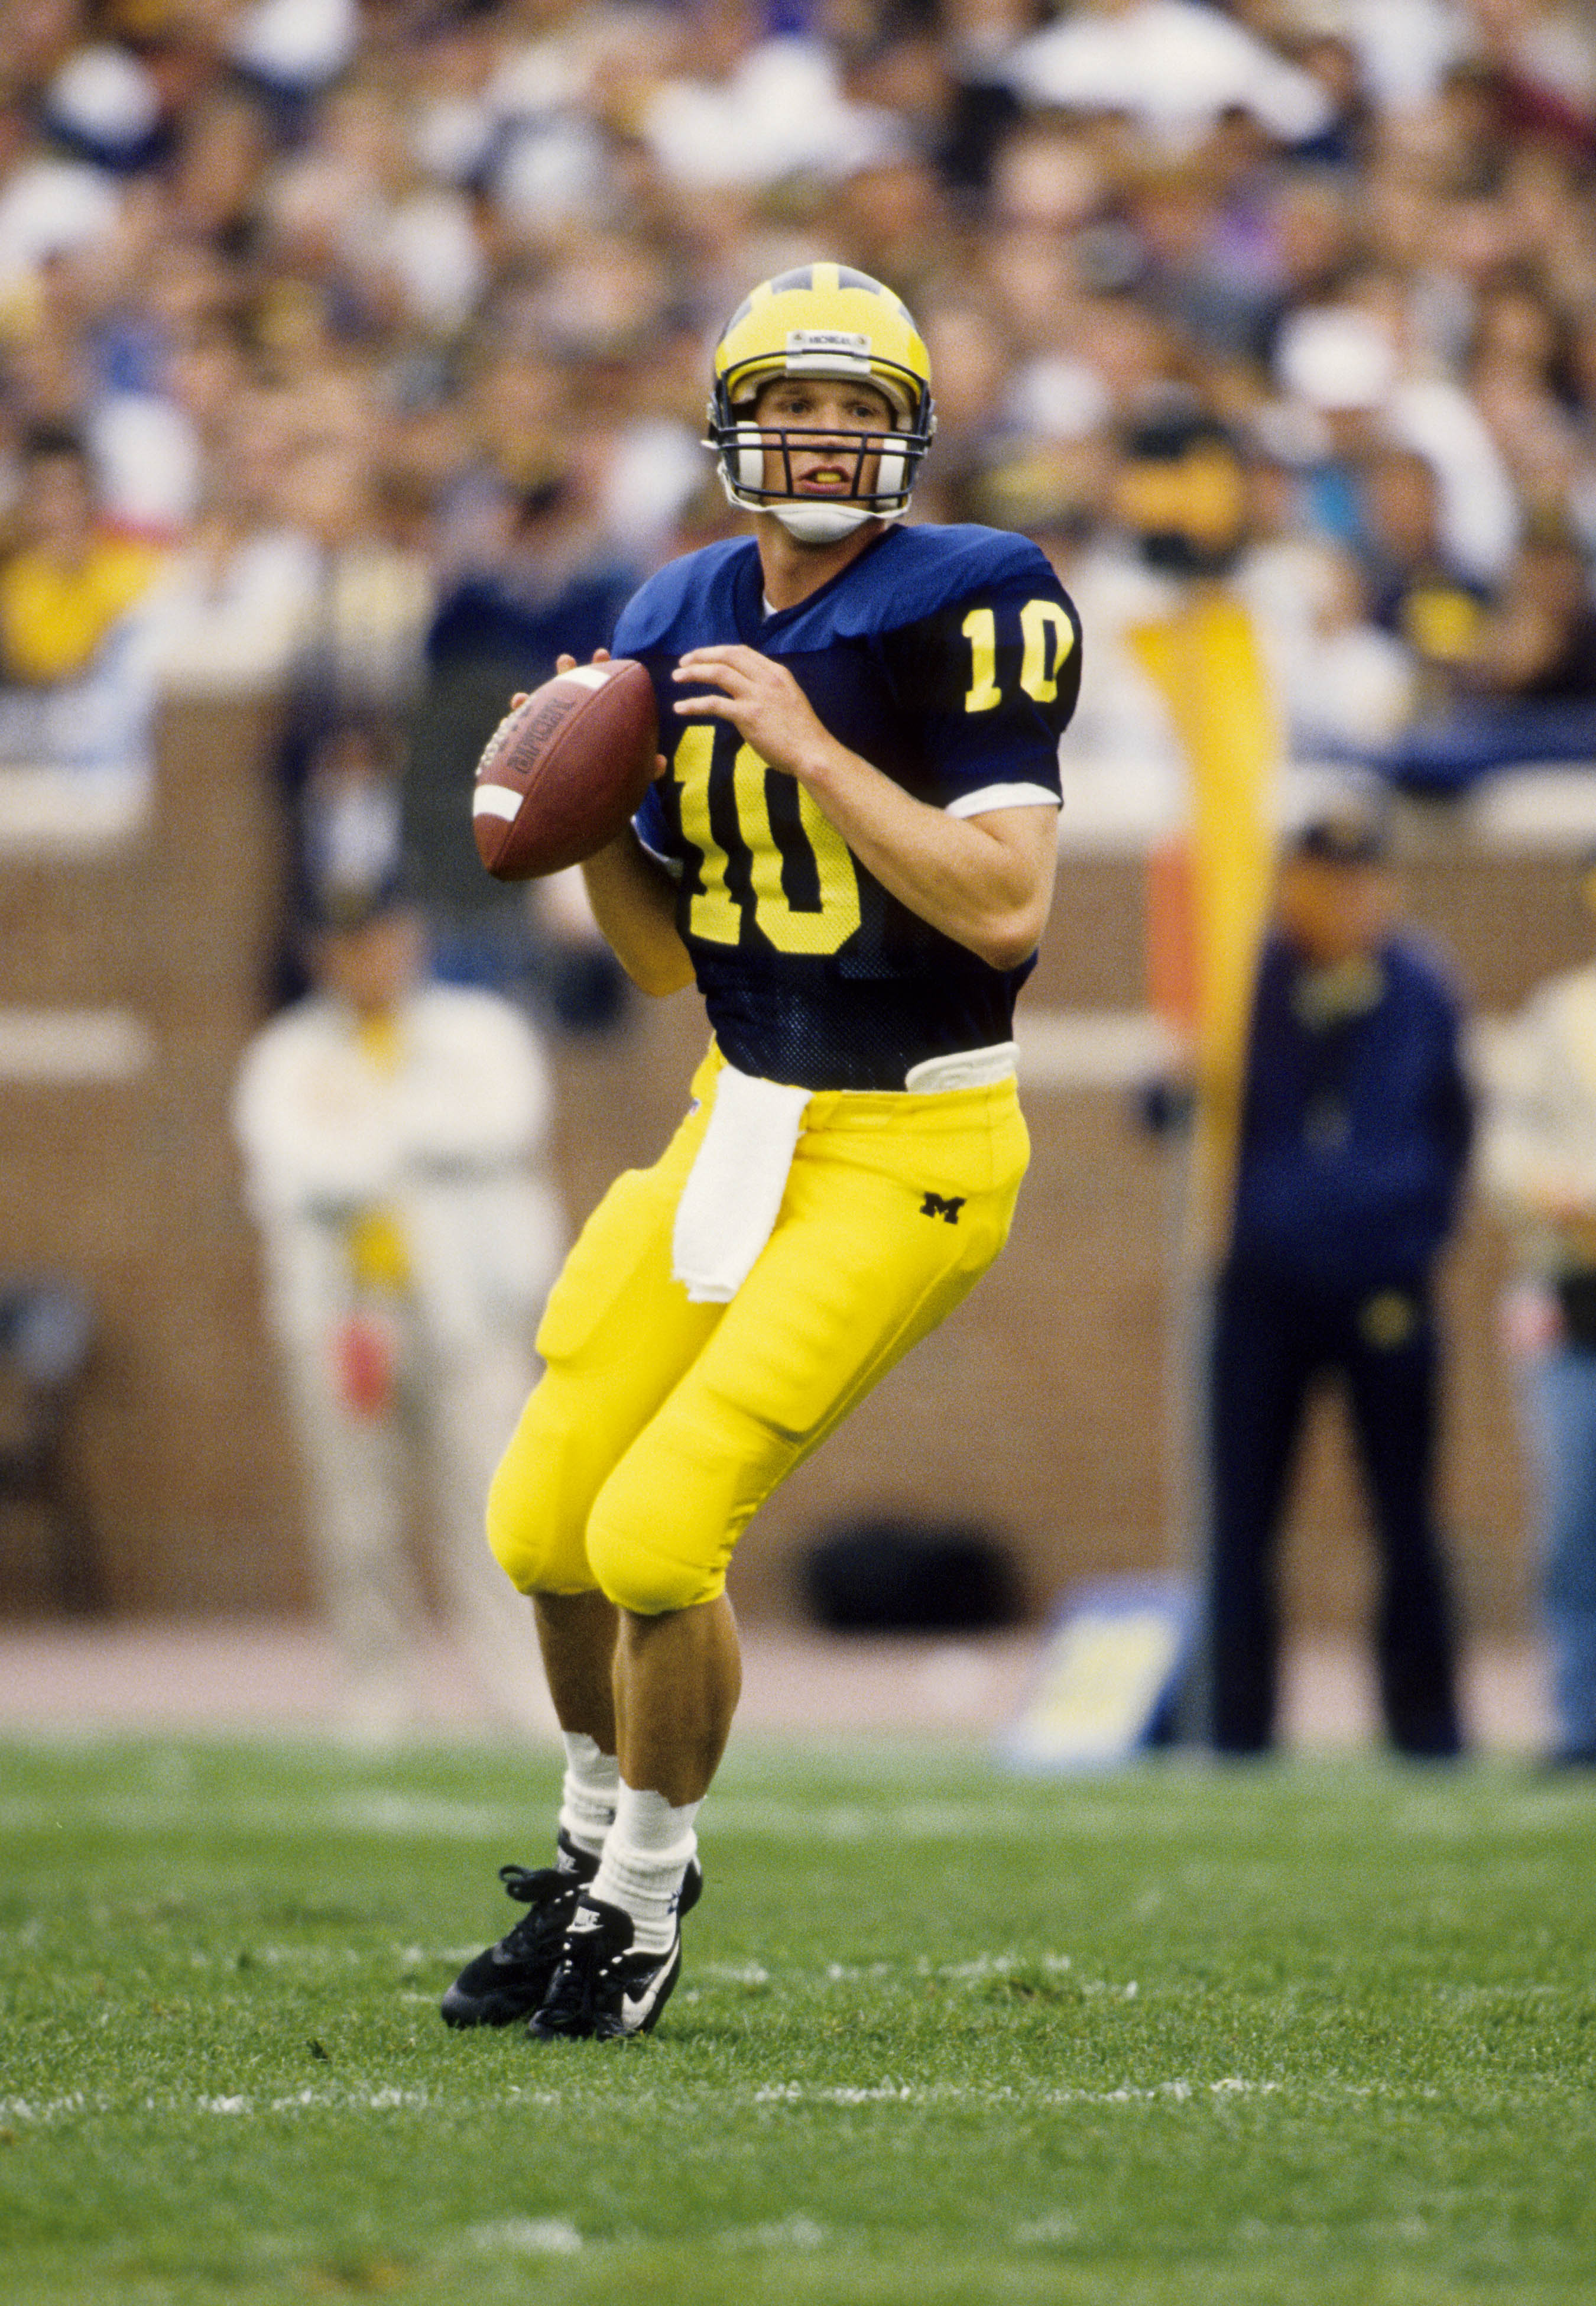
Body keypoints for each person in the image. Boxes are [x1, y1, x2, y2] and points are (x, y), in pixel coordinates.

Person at [441, 264, 1082, 2041]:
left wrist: (807, 747)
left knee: (658, 1533)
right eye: (793, 403)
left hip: (914, 1139)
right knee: (542, 1515)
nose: (822, 434)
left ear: (908, 437)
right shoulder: (678, 598)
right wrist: (570, 811)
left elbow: (1006, 901)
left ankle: (642, 1901)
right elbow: (659, 956)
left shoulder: (974, 594)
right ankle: (582, 1855)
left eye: (858, 410)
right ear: (734, 423)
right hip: (741, 1112)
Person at [232, 872, 564, 1742]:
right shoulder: (289, 1052)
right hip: (348, 1317)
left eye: (379, 936)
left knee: (492, 1510)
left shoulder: (480, 1031)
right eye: (343, 943)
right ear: (319, 954)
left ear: (410, 936)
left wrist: (373, 1140)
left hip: (469, 1318)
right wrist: (404, 1141)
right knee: (358, 1519)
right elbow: (294, 1172)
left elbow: (505, 1124)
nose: (364, 959)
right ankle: (376, 1698)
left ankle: (519, 1694)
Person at [1202, 803, 1473, 1759]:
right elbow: (1201, 1106)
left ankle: (1428, 1728)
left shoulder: (1422, 989)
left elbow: (1451, 1131)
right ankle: (1236, 1727)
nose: (1349, 902)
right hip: (1262, 1293)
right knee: (1240, 1518)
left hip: (1383, 1293)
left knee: (1407, 1517)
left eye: (1365, 883)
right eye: (1326, 882)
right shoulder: (1244, 983)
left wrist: (1413, 1241)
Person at [1480, 859, 1596, 1770]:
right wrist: (1564, 1194)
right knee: (1570, 1524)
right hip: (1574, 1292)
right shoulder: (1563, 1015)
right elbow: (1509, 1156)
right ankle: (1578, 1715)